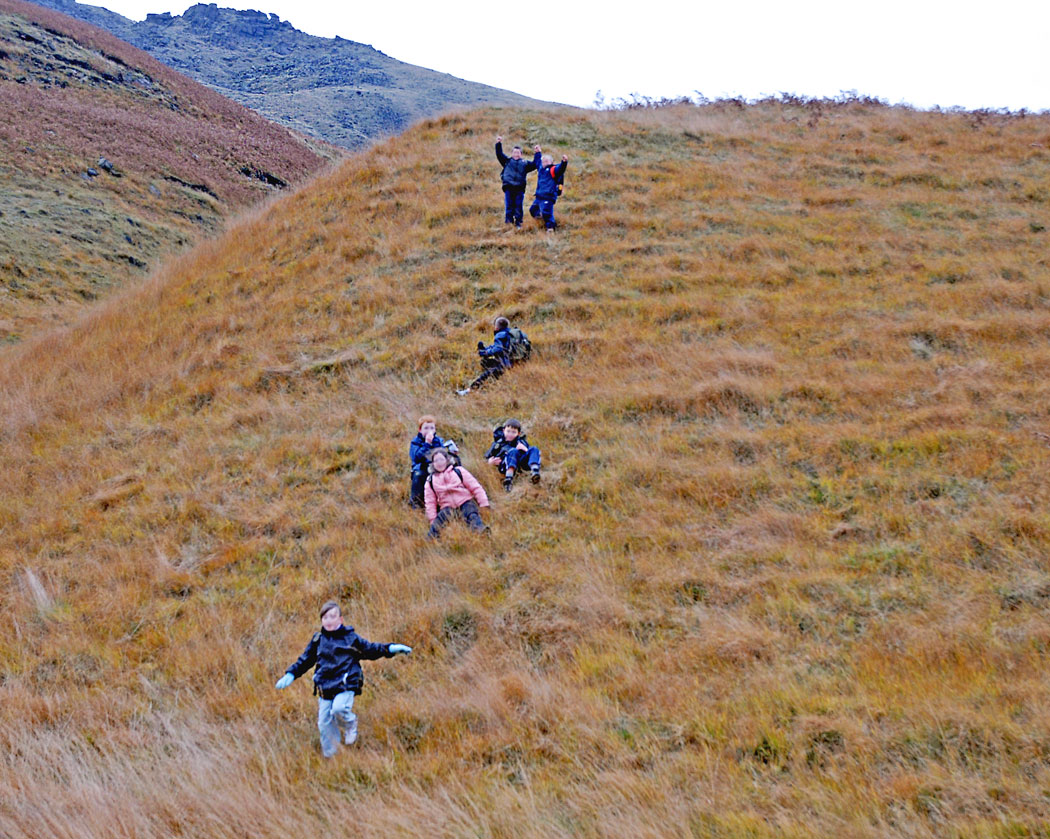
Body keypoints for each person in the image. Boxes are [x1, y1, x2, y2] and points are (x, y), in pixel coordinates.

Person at [275, 601, 411, 758]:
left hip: (346, 684)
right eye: (325, 617)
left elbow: (371, 650)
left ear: (340, 619)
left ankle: (350, 723)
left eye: (333, 616)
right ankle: (332, 757)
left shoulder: (350, 638)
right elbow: (305, 660)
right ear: (321, 621)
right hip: (325, 687)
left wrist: (391, 649)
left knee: (339, 709)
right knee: (324, 723)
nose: (329, 620)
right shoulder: (318, 640)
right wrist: (291, 674)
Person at [424, 448, 490, 539]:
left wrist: (484, 503)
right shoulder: (430, 480)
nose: (439, 463)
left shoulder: (458, 471)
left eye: (441, 459)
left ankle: (481, 531)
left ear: (447, 460)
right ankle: (430, 540)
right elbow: (430, 502)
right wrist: (432, 519)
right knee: (438, 522)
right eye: (436, 460)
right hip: (447, 508)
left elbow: (475, 487)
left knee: (471, 514)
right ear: (432, 464)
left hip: (465, 502)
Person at [458, 316, 531, 394]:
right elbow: (497, 347)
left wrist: (485, 353)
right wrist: (486, 349)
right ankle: (491, 386)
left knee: (486, 372)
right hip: (517, 362)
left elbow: (498, 349)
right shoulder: (511, 334)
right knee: (491, 367)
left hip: (505, 364)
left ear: (496, 327)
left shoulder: (500, 335)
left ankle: (469, 391)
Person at [409, 415, 459, 508]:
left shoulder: (438, 440)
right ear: (420, 430)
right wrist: (427, 444)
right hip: (421, 468)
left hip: (437, 467)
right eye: (426, 428)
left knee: (453, 468)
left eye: (432, 428)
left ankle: (452, 499)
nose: (429, 430)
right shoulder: (415, 442)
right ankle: (416, 503)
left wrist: (452, 452)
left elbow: (442, 454)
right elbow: (416, 458)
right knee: (418, 476)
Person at [495, 135, 541, 228]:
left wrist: (538, 153)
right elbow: (499, 154)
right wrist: (498, 143)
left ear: (521, 154)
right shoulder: (507, 161)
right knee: (509, 206)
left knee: (518, 206)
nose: (516, 154)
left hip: (519, 188)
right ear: (512, 154)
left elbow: (535, 164)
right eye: (515, 152)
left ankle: (518, 223)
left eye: (518, 152)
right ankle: (508, 223)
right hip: (508, 187)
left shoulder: (525, 163)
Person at [486, 418, 541, 491]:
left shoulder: (521, 442)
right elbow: (487, 456)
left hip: (521, 464)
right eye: (508, 431)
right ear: (503, 431)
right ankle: (508, 479)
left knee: (534, 448)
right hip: (505, 465)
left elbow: (531, 454)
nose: (510, 434)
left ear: (518, 433)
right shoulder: (498, 444)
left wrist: (525, 449)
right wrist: (490, 462)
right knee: (513, 451)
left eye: (513, 432)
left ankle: (535, 471)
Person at [529, 153, 569, 232]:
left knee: (547, 212)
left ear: (551, 162)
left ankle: (550, 228)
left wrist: (564, 162)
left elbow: (560, 169)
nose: (545, 163)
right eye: (543, 161)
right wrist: (537, 152)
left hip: (548, 196)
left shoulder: (553, 169)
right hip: (539, 196)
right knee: (533, 210)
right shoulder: (541, 170)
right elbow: (537, 162)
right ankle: (541, 221)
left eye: (547, 161)